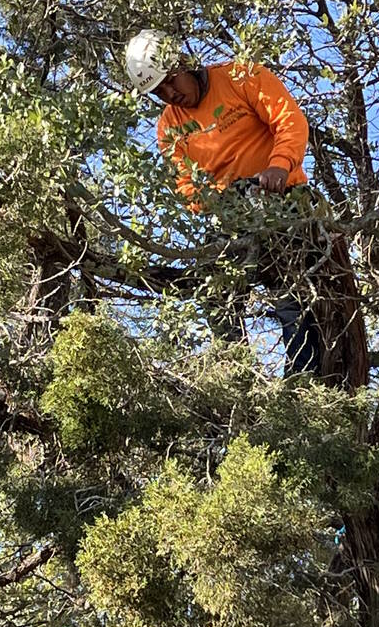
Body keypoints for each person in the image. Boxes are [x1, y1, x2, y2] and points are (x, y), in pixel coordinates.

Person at [124, 29, 324, 376]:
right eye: (160, 92)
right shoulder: (169, 126)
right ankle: (237, 377)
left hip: (281, 201)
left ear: (184, 62)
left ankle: (304, 378)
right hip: (231, 217)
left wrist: (279, 165)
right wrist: (213, 203)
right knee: (213, 290)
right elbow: (186, 186)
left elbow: (289, 121)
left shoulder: (241, 76)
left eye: (172, 81)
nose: (172, 95)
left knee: (287, 294)